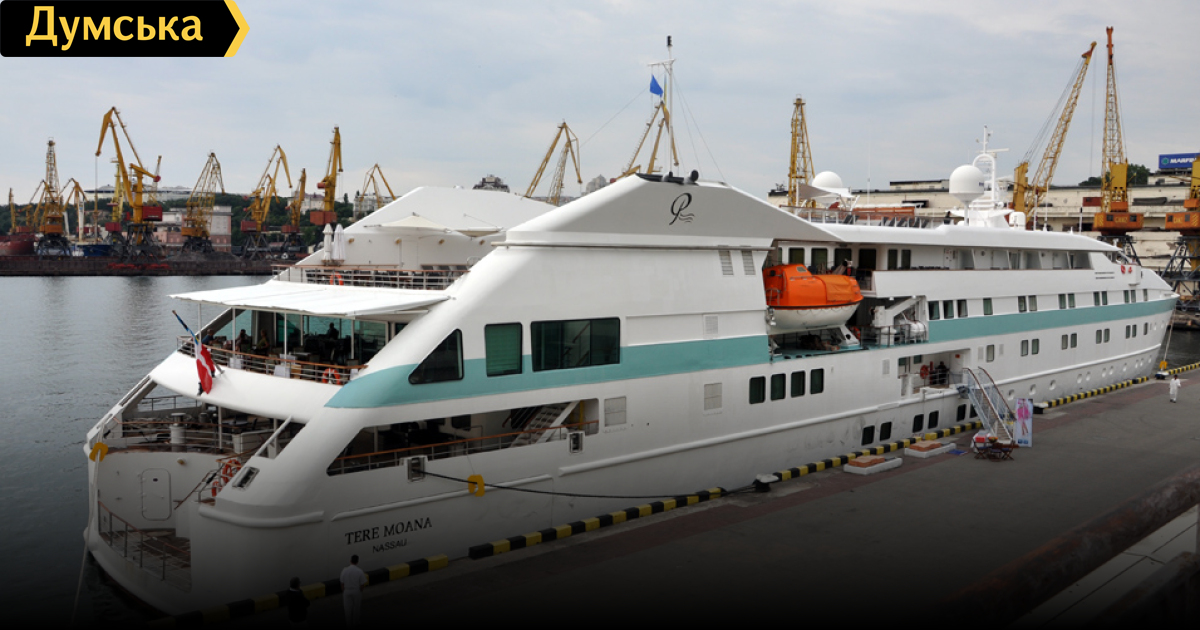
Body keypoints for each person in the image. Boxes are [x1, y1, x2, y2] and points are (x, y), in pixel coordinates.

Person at [340, 555, 366, 628]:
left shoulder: (344, 570)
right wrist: (360, 591)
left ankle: (348, 623)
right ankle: (356, 622)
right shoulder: (359, 571)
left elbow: (342, 583)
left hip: (347, 590)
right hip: (356, 590)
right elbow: (362, 584)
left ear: (350, 561)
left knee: (347, 608)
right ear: (357, 562)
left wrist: (344, 591)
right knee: (356, 608)